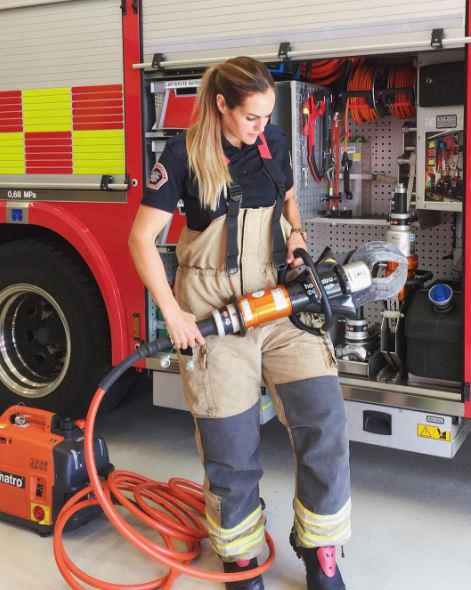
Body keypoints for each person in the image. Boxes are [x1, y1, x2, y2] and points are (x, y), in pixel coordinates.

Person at [129, 56, 351, 590]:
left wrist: (296, 237)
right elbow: (141, 239)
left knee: (325, 419)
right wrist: (175, 312)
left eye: (267, 117)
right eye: (251, 117)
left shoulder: (272, 144)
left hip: (277, 299)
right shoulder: (183, 155)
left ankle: (319, 546)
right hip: (210, 303)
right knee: (232, 447)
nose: (261, 128)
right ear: (222, 106)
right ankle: (242, 559)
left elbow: (291, 205)